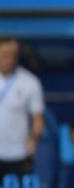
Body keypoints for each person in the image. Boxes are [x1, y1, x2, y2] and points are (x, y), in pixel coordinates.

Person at [0, 37, 44, 180]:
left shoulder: (30, 82)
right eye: (5, 55)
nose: (11, 59)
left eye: (14, 55)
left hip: (19, 154)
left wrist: (33, 139)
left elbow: (38, 119)